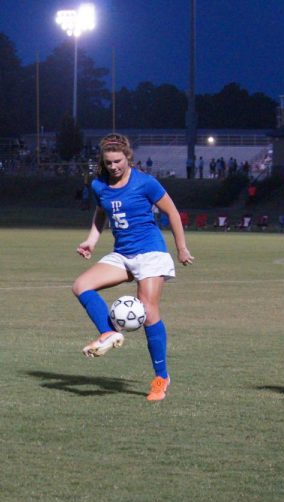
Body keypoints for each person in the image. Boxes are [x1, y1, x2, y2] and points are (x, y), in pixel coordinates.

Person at [73, 133, 194, 401]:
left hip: (150, 252)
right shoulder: (99, 185)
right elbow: (102, 211)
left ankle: (161, 378)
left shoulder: (146, 183)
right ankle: (108, 332)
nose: (113, 166)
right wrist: (92, 240)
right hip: (123, 254)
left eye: (117, 161)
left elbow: (172, 212)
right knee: (81, 286)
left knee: (149, 311)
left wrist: (181, 247)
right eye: (108, 163)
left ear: (128, 157)